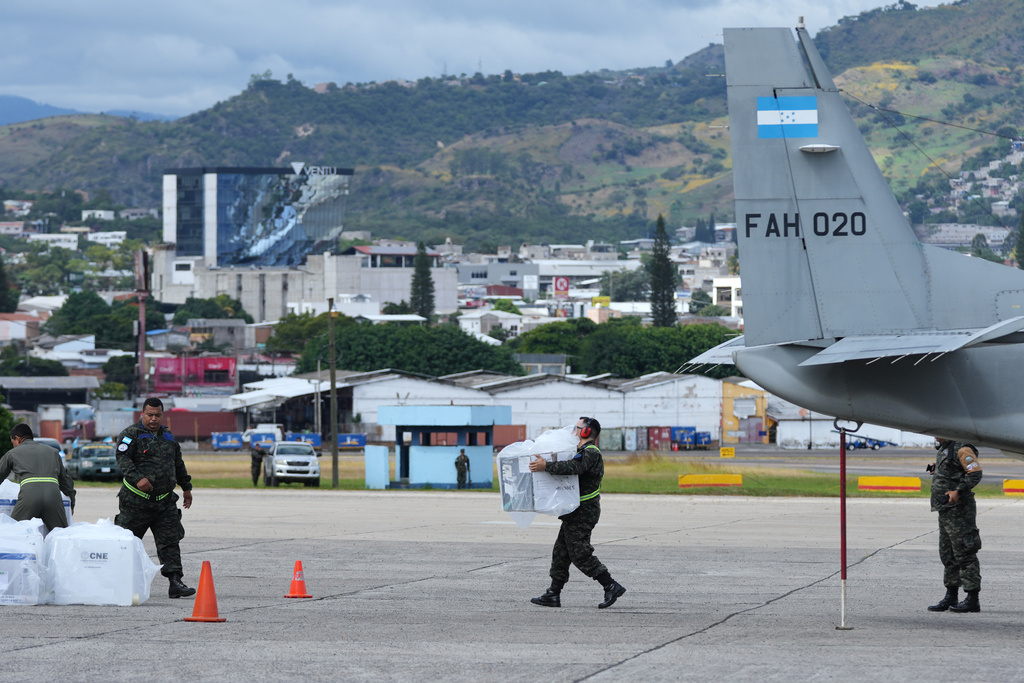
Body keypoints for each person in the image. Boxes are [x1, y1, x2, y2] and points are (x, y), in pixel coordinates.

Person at [528, 416, 626, 609]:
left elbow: (574, 468)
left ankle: (610, 585)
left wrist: (546, 466)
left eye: (576, 428)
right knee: (561, 552)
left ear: (586, 432)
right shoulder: (579, 451)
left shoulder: (590, 452)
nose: (573, 431)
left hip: (584, 511)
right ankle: (553, 594)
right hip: (574, 510)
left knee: (579, 553)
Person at [114, 397, 197, 599]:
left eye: (157, 415)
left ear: (162, 415)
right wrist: (137, 478)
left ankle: (175, 581)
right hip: (136, 502)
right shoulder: (130, 434)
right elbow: (122, 458)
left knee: (170, 541)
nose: (153, 419)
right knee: (127, 542)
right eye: (149, 415)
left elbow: (178, 462)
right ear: (142, 414)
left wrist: (186, 487)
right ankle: (115, 580)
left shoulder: (167, 435)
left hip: (165, 501)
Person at [927, 439, 983, 613]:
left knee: (964, 552)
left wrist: (957, 491)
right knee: (948, 554)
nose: (935, 437)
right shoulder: (945, 448)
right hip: (945, 509)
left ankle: (972, 598)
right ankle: (951, 596)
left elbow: (975, 473)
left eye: (938, 432)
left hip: (959, 510)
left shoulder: (963, 448)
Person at [0, 424, 75, 532]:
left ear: (17, 438)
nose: (14, 446)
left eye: (13, 443)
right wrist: (72, 502)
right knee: (60, 535)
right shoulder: (53, 452)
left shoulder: (12, 454)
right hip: (53, 496)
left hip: (29, 497)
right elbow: (66, 481)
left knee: (16, 533)